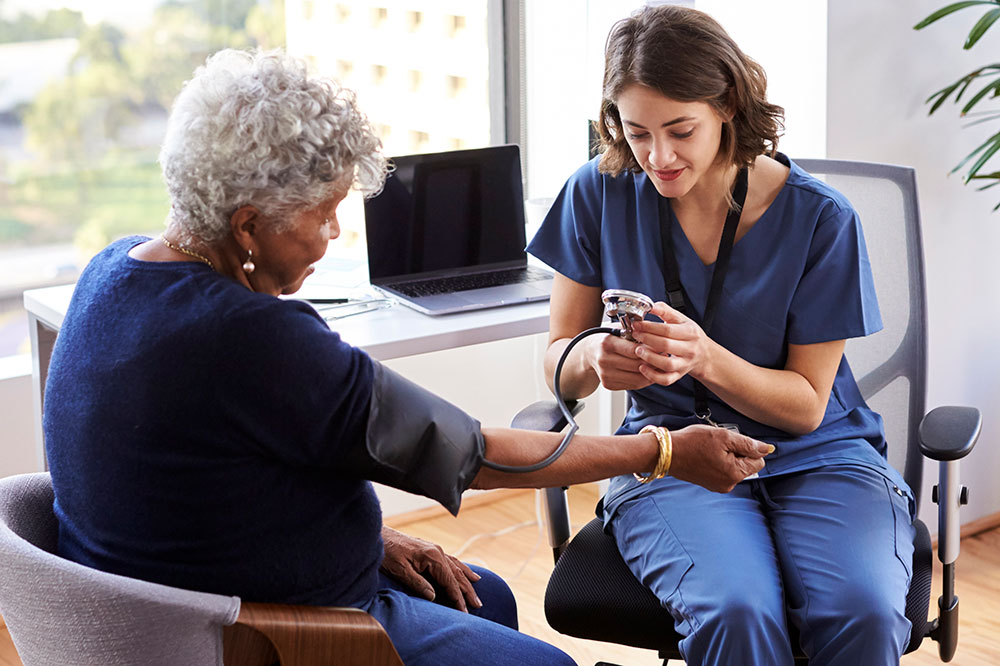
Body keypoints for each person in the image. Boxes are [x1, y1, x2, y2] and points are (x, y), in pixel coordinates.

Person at [42, 48, 771, 666]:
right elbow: (475, 453)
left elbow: (204, 477)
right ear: (248, 225)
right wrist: (661, 451)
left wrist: (373, 537)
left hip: (174, 597)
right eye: (324, 214)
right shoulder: (257, 339)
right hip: (266, 632)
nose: (333, 234)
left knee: (487, 595)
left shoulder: (113, 272)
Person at [527, 6, 916, 666]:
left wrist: (703, 357)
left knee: (864, 612)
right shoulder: (598, 192)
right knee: (735, 610)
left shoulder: (821, 220)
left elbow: (805, 405)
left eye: (681, 130)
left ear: (729, 104)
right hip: (670, 455)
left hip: (817, 453)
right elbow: (557, 361)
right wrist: (589, 356)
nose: (658, 155)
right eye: (637, 131)